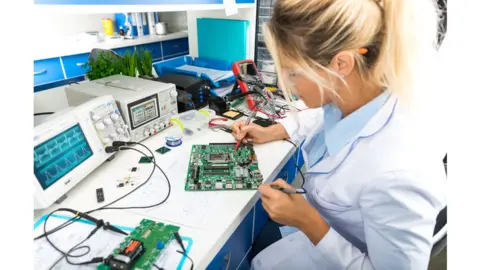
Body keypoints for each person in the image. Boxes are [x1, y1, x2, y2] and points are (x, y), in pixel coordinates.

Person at [231, 0, 447, 269]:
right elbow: (323, 115)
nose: (285, 83)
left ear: (341, 63)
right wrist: (274, 130)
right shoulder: (363, 93)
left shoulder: (398, 174)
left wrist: (308, 220)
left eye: (293, 72)